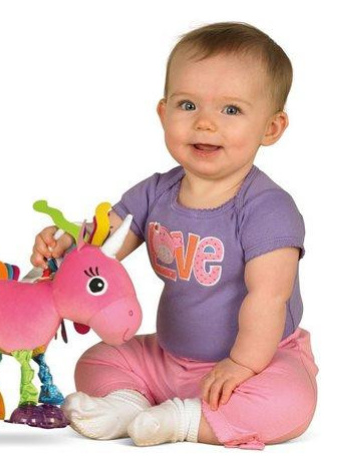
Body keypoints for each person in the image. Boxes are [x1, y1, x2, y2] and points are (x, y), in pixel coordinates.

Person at [31, 22, 318, 450]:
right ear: (164, 113)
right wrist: (68, 247)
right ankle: (128, 405)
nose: (205, 123)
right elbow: (105, 247)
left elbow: (269, 298)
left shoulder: (267, 209)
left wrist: (241, 364)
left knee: (290, 402)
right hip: (167, 359)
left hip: (256, 364)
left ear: (271, 128)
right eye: (188, 105)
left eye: (231, 110)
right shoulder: (154, 193)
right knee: (97, 360)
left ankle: (182, 420)